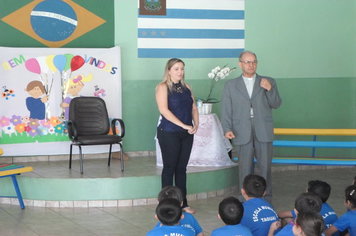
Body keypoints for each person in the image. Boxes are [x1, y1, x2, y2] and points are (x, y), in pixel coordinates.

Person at [221, 51, 282, 201]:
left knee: (265, 166)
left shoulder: (268, 81)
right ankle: (245, 199)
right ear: (240, 64)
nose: (251, 65)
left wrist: (270, 89)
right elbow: (226, 109)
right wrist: (227, 128)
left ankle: (266, 198)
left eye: (254, 61)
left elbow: (276, 103)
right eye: (247, 62)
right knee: (244, 167)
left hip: (263, 129)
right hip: (241, 130)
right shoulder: (231, 85)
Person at [156, 58, 199, 214]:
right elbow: (164, 110)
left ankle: (183, 203)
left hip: (186, 134)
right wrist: (184, 125)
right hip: (169, 133)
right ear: (169, 71)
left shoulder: (187, 87)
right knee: (169, 168)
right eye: (176, 69)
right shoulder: (162, 87)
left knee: (182, 169)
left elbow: (193, 107)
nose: (180, 72)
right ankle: (166, 204)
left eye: (182, 68)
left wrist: (196, 124)